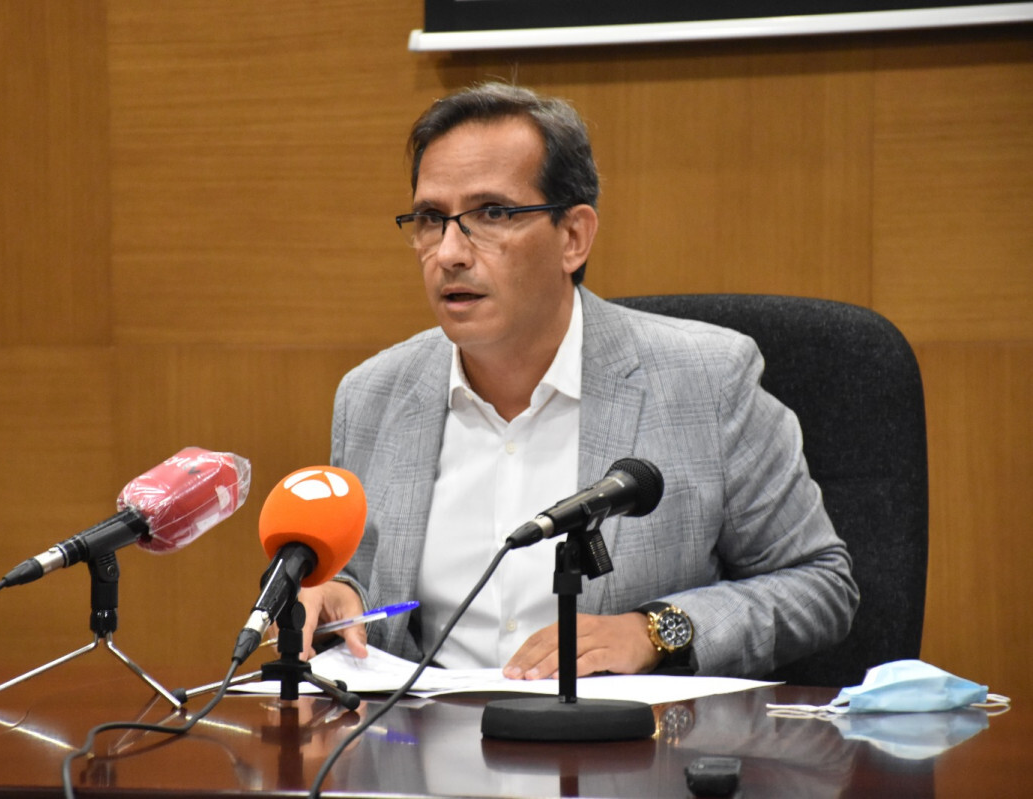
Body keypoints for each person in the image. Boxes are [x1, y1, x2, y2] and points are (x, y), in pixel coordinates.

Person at [296, 82, 858, 679]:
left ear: (573, 238)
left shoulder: (708, 380)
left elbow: (820, 584)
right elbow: (363, 586)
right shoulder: (373, 396)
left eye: (492, 214)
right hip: (424, 733)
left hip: (622, 735)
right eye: (432, 219)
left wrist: (655, 632)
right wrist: (340, 597)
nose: (450, 252)